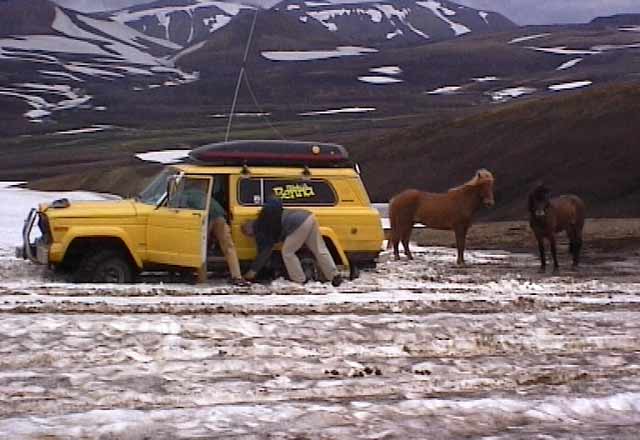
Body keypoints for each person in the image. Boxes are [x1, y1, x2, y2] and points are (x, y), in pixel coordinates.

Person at [243, 198, 343, 286]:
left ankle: (299, 280)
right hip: (308, 216)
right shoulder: (265, 216)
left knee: (287, 252)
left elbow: (264, 253)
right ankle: (334, 275)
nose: (249, 236)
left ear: (250, 228)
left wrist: (251, 273)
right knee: (319, 249)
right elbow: (275, 202)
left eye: (247, 233)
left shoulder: (261, 230)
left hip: (297, 223)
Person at [208, 198, 248, 286]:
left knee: (202, 243)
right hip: (221, 217)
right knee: (229, 247)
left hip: (210, 217)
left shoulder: (185, 195)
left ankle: (201, 276)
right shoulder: (207, 197)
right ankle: (237, 276)